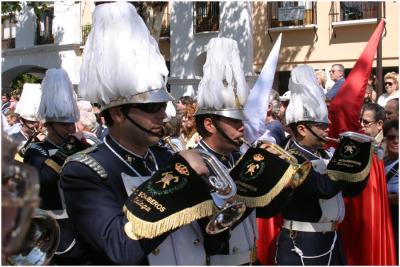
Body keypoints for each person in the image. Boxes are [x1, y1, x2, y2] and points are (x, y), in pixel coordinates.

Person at [60, 2, 208, 264]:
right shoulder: (85, 171)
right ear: (118, 113)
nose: (163, 114)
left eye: (163, 106)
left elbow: (205, 237)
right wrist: (176, 180)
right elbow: (120, 248)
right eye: (152, 108)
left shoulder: (164, 156)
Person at [276, 65, 369, 265]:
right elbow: (324, 188)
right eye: (321, 126)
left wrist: (363, 161)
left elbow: (352, 190)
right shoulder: (290, 156)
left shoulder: (327, 152)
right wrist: (347, 160)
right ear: (301, 128)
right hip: (302, 241)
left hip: (332, 239)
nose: (327, 130)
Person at [23, 68, 89, 265]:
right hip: (56, 232)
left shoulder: (80, 147)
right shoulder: (37, 151)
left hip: (85, 229)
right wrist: (68, 148)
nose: (70, 129)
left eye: (72, 124)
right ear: (50, 124)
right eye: (64, 125)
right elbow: (44, 180)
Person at [383, 119, 399, 257]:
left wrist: (381, 198)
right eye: (392, 137)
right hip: (385, 219)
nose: (396, 141)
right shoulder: (383, 161)